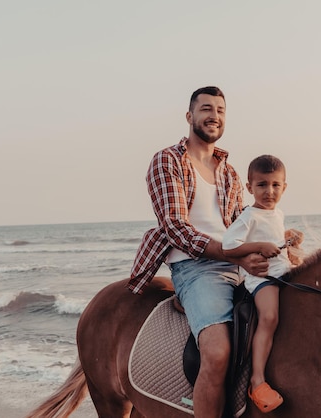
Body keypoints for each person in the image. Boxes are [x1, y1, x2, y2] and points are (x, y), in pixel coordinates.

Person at [127, 86, 269, 418]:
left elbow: (240, 224)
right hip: (195, 268)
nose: (214, 116)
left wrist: (275, 237)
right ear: (190, 117)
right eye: (206, 109)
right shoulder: (168, 160)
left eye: (220, 110)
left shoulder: (231, 173)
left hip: (236, 265)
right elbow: (175, 226)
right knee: (218, 351)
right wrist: (235, 255)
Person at [222, 155, 297, 413]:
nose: (269, 191)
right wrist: (258, 247)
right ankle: (257, 380)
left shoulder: (278, 213)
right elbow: (228, 245)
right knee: (270, 317)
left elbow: (275, 240)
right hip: (263, 278)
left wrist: (288, 239)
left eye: (276, 185)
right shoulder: (248, 216)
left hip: (284, 272)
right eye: (262, 185)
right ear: (249, 187)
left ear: (284, 187)